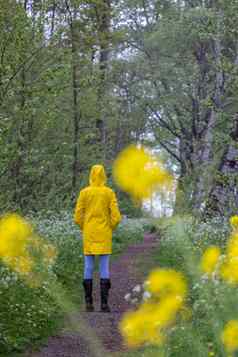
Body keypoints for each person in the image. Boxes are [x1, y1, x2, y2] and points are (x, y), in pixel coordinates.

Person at [74, 165, 121, 312]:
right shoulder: (109, 193)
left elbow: (77, 216)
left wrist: (84, 227)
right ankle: (104, 304)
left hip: (89, 233)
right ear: (103, 176)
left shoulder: (84, 193)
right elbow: (116, 217)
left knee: (88, 266)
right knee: (104, 267)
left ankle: (88, 304)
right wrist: (110, 227)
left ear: (91, 175)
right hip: (104, 233)